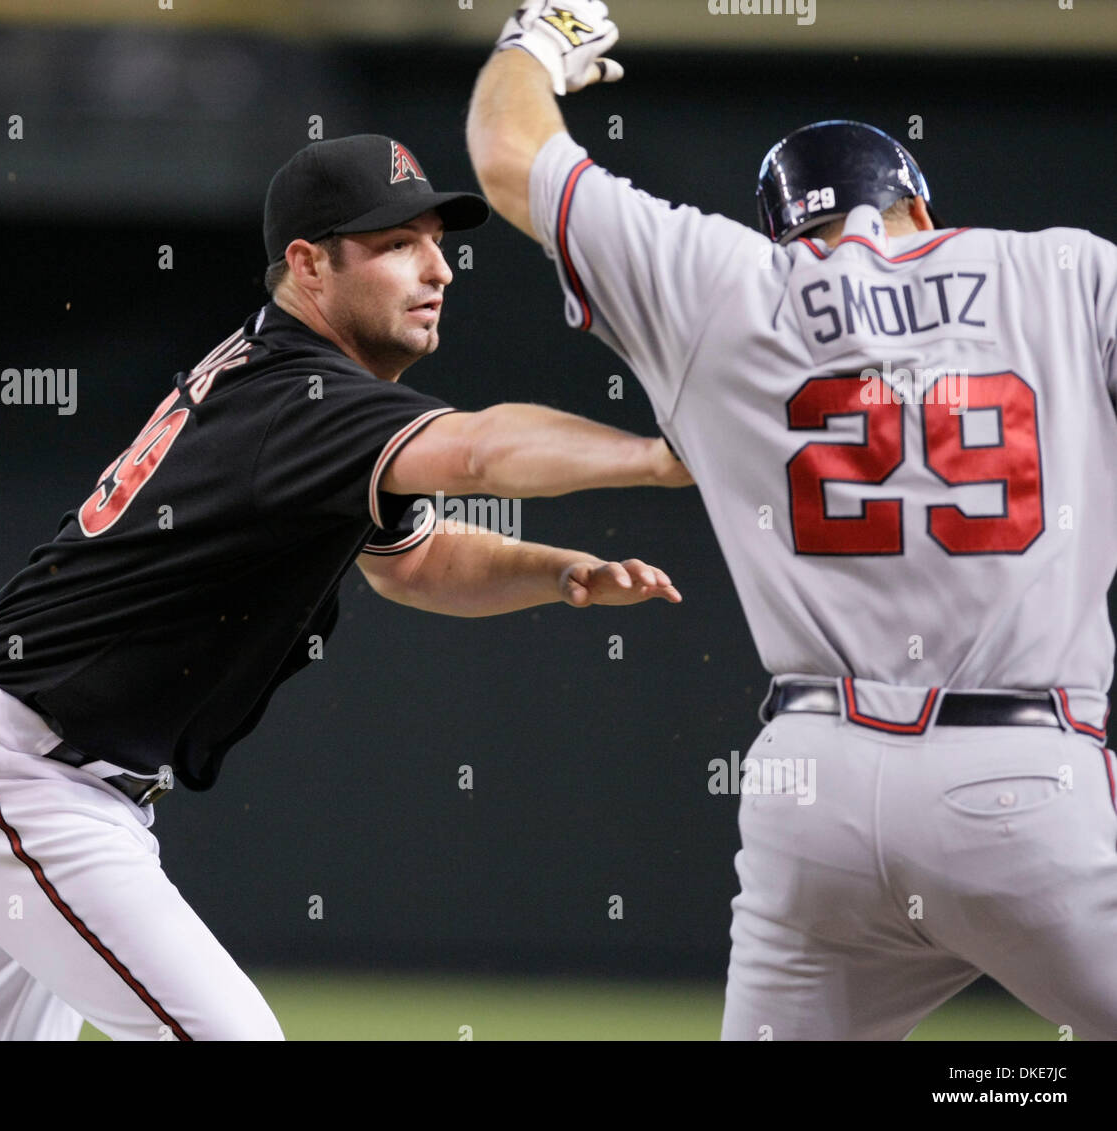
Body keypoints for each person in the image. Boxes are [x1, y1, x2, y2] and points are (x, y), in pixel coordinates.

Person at [0, 132, 691, 1042]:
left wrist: (559, 571)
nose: (438, 269)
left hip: (9, 764)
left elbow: (416, 563)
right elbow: (478, 449)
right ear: (308, 265)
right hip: (21, 774)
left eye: (436, 240)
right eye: (397, 245)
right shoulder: (303, 399)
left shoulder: (298, 394)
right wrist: (659, 457)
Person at [468, 0, 1117, 1040]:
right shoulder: (1069, 272)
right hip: (1016, 774)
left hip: (810, 782)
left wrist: (534, 39)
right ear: (917, 205)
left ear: (785, 228)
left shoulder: (726, 286)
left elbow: (507, 153)